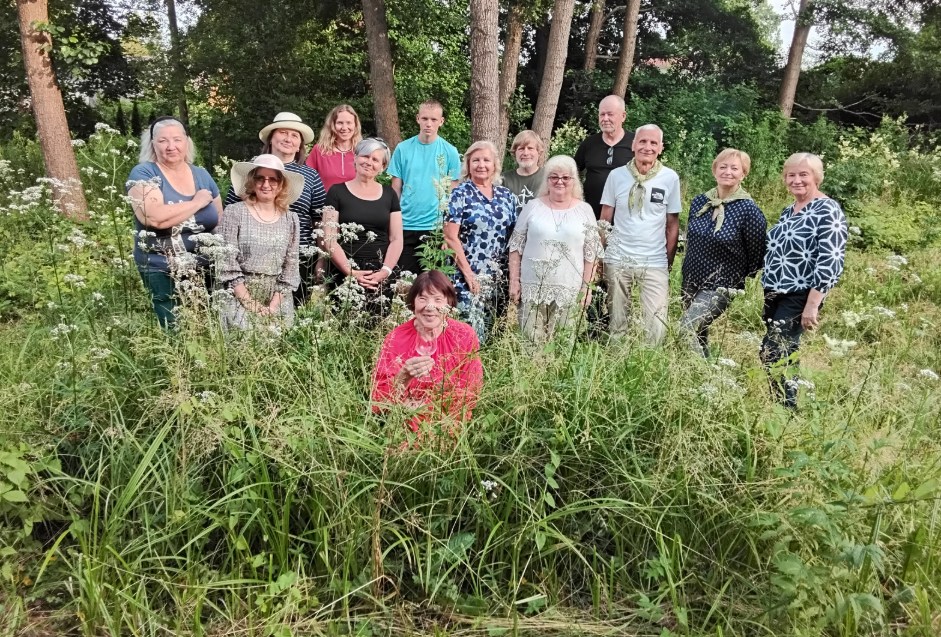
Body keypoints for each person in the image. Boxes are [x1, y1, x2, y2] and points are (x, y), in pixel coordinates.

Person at [761, 153, 847, 407]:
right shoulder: (789, 210)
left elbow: (831, 259)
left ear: (816, 177)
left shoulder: (827, 210)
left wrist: (812, 304)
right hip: (775, 290)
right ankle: (780, 404)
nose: (796, 180)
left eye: (803, 174)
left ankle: (787, 409)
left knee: (775, 349)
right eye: (791, 175)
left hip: (800, 293)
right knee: (781, 350)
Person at [126, 116, 223, 328]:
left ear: (187, 142)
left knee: (207, 327)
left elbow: (219, 219)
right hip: (160, 267)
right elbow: (154, 217)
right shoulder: (144, 173)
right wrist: (197, 202)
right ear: (152, 144)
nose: (171, 147)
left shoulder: (202, 175)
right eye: (163, 141)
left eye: (177, 140)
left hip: (205, 267)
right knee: (174, 329)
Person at [225, 112, 326, 306]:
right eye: (283, 132)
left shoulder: (311, 176)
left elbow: (319, 219)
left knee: (290, 313)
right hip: (250, 256)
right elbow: (230, 209)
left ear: (299, 145)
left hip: (299, 257)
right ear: (271, 138)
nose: (288, 139)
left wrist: (321, 258)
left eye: (295, 135)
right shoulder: (250, 170)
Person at [371, 270, 484, 433]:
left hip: (447, 420)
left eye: (438, 299)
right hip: (403, 419)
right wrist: (403, 377)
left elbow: (472, 387)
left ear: (449, 302)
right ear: (413, 302)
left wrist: (429, 406)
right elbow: (378, 397)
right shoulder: (396, 337)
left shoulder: (464, 334)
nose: (430, 307)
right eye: (422, 298)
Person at [680, 148, 767, 357]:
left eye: (735, 168)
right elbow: (690, 237)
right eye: (723, 166)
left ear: (744, 174)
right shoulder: (701, 201)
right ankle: (703, 373)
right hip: (691, 277)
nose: (728, 171)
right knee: (699, 332)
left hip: (721, 285)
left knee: (685, 329)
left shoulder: (749, 210)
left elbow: (757, 251)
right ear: (714, 170)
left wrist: (737, 278)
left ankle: (695, 371)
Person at [600, 124, 681, 345]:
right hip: (618, 258)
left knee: (656, 325)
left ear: (661, 148)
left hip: (654, 260)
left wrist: (668, 260)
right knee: (617, 322)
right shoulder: (616, 176)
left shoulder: (670, 178)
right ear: (634, 145)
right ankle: (615, 363)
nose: (647, 147)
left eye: (653, 143)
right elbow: (605, 218)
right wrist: (602, 255)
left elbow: (672, 223)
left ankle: (650, 366)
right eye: (643, 141)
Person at [508, 155, 601, 342]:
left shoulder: (585, 210)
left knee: (562, 344)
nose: (560, 181)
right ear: (547, 180)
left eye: (565, 177)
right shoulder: (533, 207)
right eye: (554, 177)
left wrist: (586, 289)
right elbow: (516, 247)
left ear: (573, 181)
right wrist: (514, 281)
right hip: (533, 288)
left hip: (570, 290)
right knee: (531, 341)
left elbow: (592, 254)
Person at [216, 154, 302, 330]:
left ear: (281, 185)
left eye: (273, 180)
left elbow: (291, 266)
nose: (266, 184)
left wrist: (273, 305)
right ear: (251, 181)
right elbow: (226, 261)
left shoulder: (291, 218)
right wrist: (250, 303)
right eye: (260, 178)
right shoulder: (234, 212)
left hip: (278, 297)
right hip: (238, 293)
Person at [443, 140, 517, 341]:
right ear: (467, 165)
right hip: (466, 274)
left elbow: (514, 237)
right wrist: (469, 275)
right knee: (469, 333)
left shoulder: (506, 196)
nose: (481, 165)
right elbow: (450, 236)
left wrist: (513, 277)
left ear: (495, 165)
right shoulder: (460, 193)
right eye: (475, 160)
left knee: (495, 332)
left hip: (498, 275)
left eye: (486, 160)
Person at [322, 138, 403, 315]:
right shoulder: (336, 192)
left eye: (375, 160)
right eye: (365, 156)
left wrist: (385, 271)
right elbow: (330, 238)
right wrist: (349, 271)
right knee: (344, 324)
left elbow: (396, 239)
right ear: (356, 158)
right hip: (343, 271)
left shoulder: (389, 195)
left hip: (380, 271)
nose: (369, 162)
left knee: (376, 325)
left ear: (382, 167)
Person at [388, 100, 462, 275]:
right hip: (405, 225)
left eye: (434, 120)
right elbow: (395, 191)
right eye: (425, 118)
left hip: (434, 228)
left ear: (441, 121)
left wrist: (447, 232)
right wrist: (393, 225)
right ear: (417, 119)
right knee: (403, 282)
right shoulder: (403, 149)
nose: (429, 124)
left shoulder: (449, 151)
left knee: (432, 283)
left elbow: (452, 196)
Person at [574, 95, 635, 219]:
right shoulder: (589, 143)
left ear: (623, 116)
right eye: (602, 114)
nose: (605, 119)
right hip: (590, 216)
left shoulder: (635, 143)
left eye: (610, 114)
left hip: (625, 219)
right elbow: (572, 172)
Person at [304, 104, 363, 192]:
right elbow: (307, 181)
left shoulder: (362, 152)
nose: (344, 127)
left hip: (356, 204)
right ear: (332, 125)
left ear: (355, 125)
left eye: (349, 123)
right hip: (325, 204)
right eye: (340, 123)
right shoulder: (320, 150)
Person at [501, 130, 546, 214]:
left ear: (539, 152)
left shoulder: (548, 178)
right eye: (521, 149)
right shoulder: (503, 179)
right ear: (515, 153)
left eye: (530, 148)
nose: (526, 153)